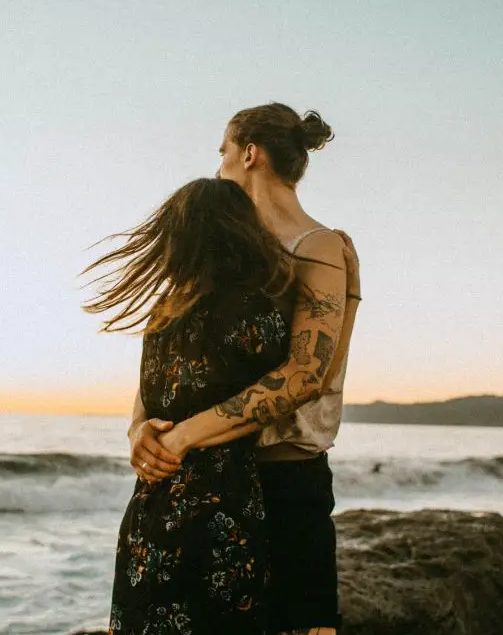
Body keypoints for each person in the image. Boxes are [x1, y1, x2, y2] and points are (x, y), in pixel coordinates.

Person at [129, 104, 361, 635]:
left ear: (249, 153)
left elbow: (307, 375)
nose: (217, 167)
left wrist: (183, 436)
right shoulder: (216, 248)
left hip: (282, 480)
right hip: (202, 482)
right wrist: (141, 427)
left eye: (223, 152)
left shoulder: (317, 246)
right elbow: (169, 349)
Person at [85, 177, 299, 634]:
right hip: (222, 506)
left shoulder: (165, 312)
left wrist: (138, 431)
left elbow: (148, 397)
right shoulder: (254, 309)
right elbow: (285, 394)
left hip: (151, 506)